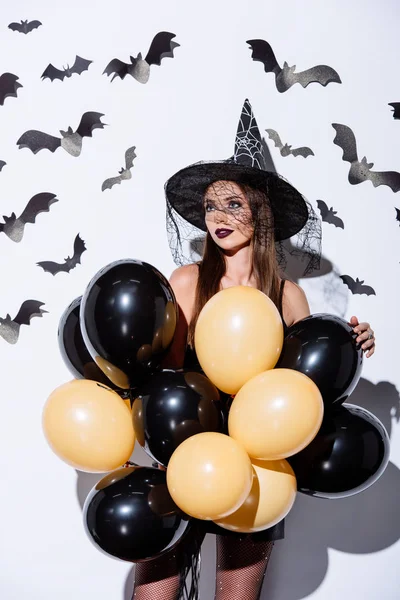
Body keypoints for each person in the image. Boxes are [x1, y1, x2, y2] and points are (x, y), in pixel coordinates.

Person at [131, 100, 376, 600]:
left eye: (233, 204)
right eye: (210, 207)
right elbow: (163, 377)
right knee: (153, 595)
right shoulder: (186, 281)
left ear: (259, 213)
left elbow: (310, 386)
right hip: (182, 460)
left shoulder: (288, 296)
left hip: (256, 474)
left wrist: (353, 344)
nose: (217, 217)